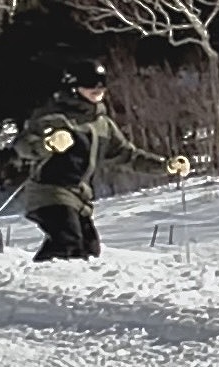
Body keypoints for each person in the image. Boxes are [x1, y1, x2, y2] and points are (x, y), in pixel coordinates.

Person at [13, 59, 190, 262]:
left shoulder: (102, 124)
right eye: (90, 83)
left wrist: (165, 166)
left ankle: (64, 279)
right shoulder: (56, 118)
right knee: (68, 240)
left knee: (89, 248)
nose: (97, 88)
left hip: (80, 196)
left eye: (102, 83)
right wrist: (48, 144)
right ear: (73, 86)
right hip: (49, 191)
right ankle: (42, 278)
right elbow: (23, 145)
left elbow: (127, 155)